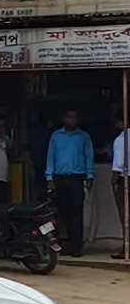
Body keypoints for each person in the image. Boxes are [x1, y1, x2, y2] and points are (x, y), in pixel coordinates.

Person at [46, 109, 95, 256]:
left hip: (76, 178)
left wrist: (90, 175)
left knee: (76, 213)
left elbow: (89, 156)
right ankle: (61, 245)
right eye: (69, 117)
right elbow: (51, 157)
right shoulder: (56, 136)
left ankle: (76, 247)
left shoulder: (83, 137)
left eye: (74, 117)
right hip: (59, 178)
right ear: (63, 118)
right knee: (60, 213)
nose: (71, 120)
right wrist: (49, 177)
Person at [112, 122, 130, 241]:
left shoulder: (121, 138)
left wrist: (114, 179)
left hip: (126, 179)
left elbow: (119, 163)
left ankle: (126, 246)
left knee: (125, 214)